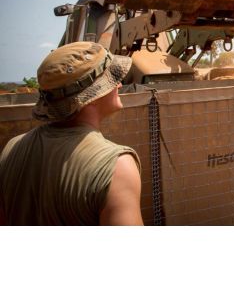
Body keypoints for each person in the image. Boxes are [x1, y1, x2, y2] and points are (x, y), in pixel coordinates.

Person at [0, 42, 143, 226]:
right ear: (91, 96)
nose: (120, 85)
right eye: (111, 79)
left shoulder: (11, 149)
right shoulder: (116, 166)